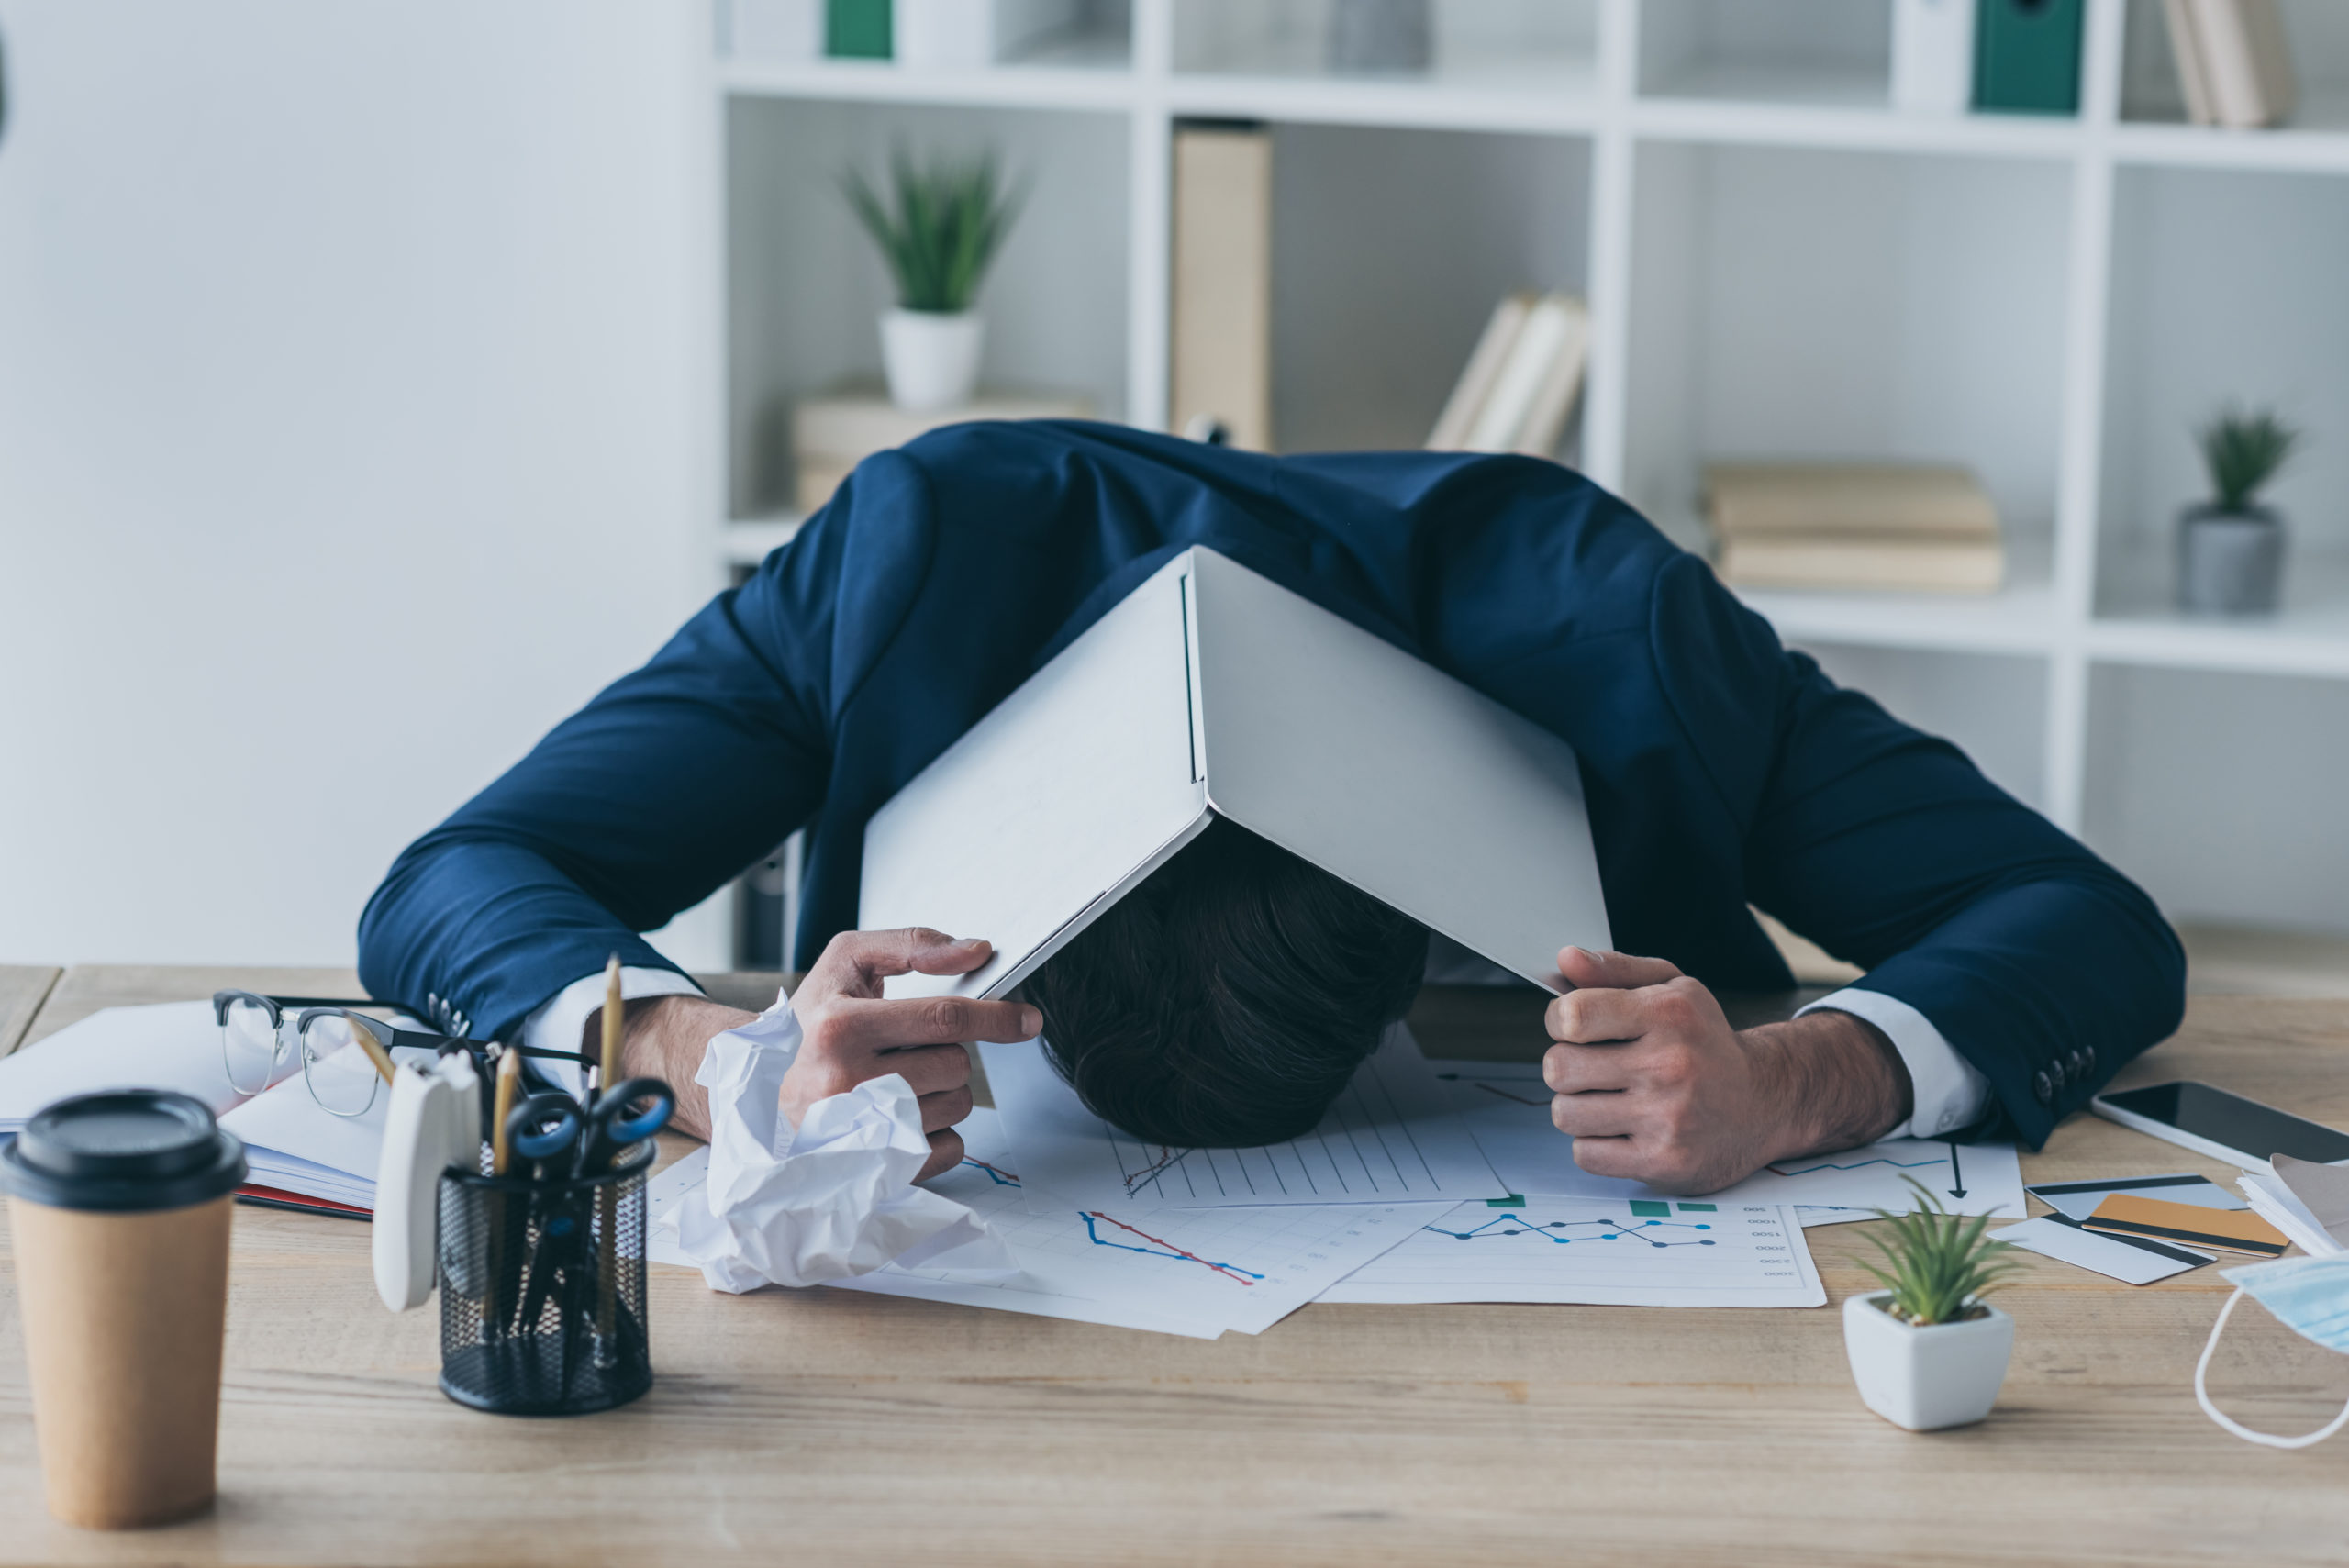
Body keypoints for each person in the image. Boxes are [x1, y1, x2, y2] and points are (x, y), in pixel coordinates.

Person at [357, 421, 2185, 1194]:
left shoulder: (1614, 630)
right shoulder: (904, 567)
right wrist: (702, 1050)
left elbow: (2089, 928)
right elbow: (455, 880)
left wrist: (1805, 1077)